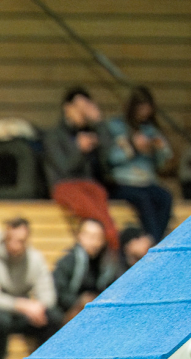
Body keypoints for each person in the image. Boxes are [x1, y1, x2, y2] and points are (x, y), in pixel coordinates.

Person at [0, 217, 61, 359]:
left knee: (53, 317)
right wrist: (23, 305)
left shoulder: (35, 258)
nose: (15, 245)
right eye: (10, 239)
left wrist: (39, 307)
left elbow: (48, 294)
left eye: (20, 241)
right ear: (4, 236)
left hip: (23, 314)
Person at [44, 88, 119, 251]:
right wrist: (79, 149)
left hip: (90, 185)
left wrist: (99, 122)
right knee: (98, 221)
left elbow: (110, 156)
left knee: (106, 218)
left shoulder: (91, 132)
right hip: (64, 186)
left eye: (86, 107)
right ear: (67, 108)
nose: (82, 112)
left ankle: (112, 249)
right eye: (79, 107)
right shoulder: (54, 135)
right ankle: (111, 249)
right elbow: (62, 169)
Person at [104, 86, 174, 242]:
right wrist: (133, 147)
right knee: (143, 199)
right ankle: (153, 241)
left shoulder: (151, 130)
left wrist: (159, 149)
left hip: (147, 181)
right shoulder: (116, 126)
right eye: (141, 108)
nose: (144, 113)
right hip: (122, 181)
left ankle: (155, 240)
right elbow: (110, 159)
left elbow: (163, 164)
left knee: (165, 197)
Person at [52, 218, 120, 322]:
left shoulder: (108, 263)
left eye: (98, 237)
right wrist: (80, 302)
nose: (94, 242)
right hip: (69, 314)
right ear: (80, 236)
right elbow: (59, 292)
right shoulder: (68, 261)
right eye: (90, 236)